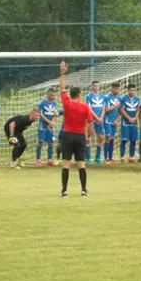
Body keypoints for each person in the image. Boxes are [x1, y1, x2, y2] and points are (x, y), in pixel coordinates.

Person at [57, 61, 94, 197]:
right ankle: (83, 190)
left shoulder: (67, 104)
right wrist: (89, 137)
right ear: (79, 94)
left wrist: (63, 73)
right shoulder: (85, 107)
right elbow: (90, 124)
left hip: (67, 136)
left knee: (66, 163)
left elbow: (61, 88)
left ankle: (64, 191)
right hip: (79, 136)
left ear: (71, 95)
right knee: (81, 164)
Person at [37, 88, 58, 167]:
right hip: (43, 126)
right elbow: (41, 115)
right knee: (40, 143)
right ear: (48, 95)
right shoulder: (42, 104)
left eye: (54, 95)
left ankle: (49, 160)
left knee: (51, 143)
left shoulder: (54, 104)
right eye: (52, 95)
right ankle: (38, 160)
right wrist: (49, 123)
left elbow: (55, 114)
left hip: (51, 127)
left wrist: (52, 122)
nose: (54, 96)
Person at [86, 81, 106, 165]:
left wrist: (101, 118)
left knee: (101, 137)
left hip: (100, 120)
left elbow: (104, 108)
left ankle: (97, 158)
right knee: (88, 138)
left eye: (97, 86)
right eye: (94, 86)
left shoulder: (102, 97)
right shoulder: (88, 96)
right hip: (91, 120)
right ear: (92, 87)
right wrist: (97, 118)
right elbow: (89, 109)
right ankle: (87, 158)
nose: (96, 87)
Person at [120, 84, 141, 163]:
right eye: (131, 90)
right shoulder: (123, 99)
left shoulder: (137, 99)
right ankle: (122, 156)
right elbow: (121, 109)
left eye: (134, 90)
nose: (132, 92)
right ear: (128, 90)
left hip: (134, 122)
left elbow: (138, 109)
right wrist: (128, 118)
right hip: (125, 122)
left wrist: (135, 117)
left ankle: (131, 157)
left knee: (133, 140)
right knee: (124, 139)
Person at [103, 83, 122, 164]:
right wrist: (115, 106)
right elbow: (106, 109)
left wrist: (117, 120)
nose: (116, 90)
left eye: (117, 89)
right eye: (115, 89)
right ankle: (105, 158)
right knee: (108, 138)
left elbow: (120, 111)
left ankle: (110, 158)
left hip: (114, 122)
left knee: (112, 139)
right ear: (111, 89)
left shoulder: (119, 98)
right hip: (107, 121)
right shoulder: (107, 97)